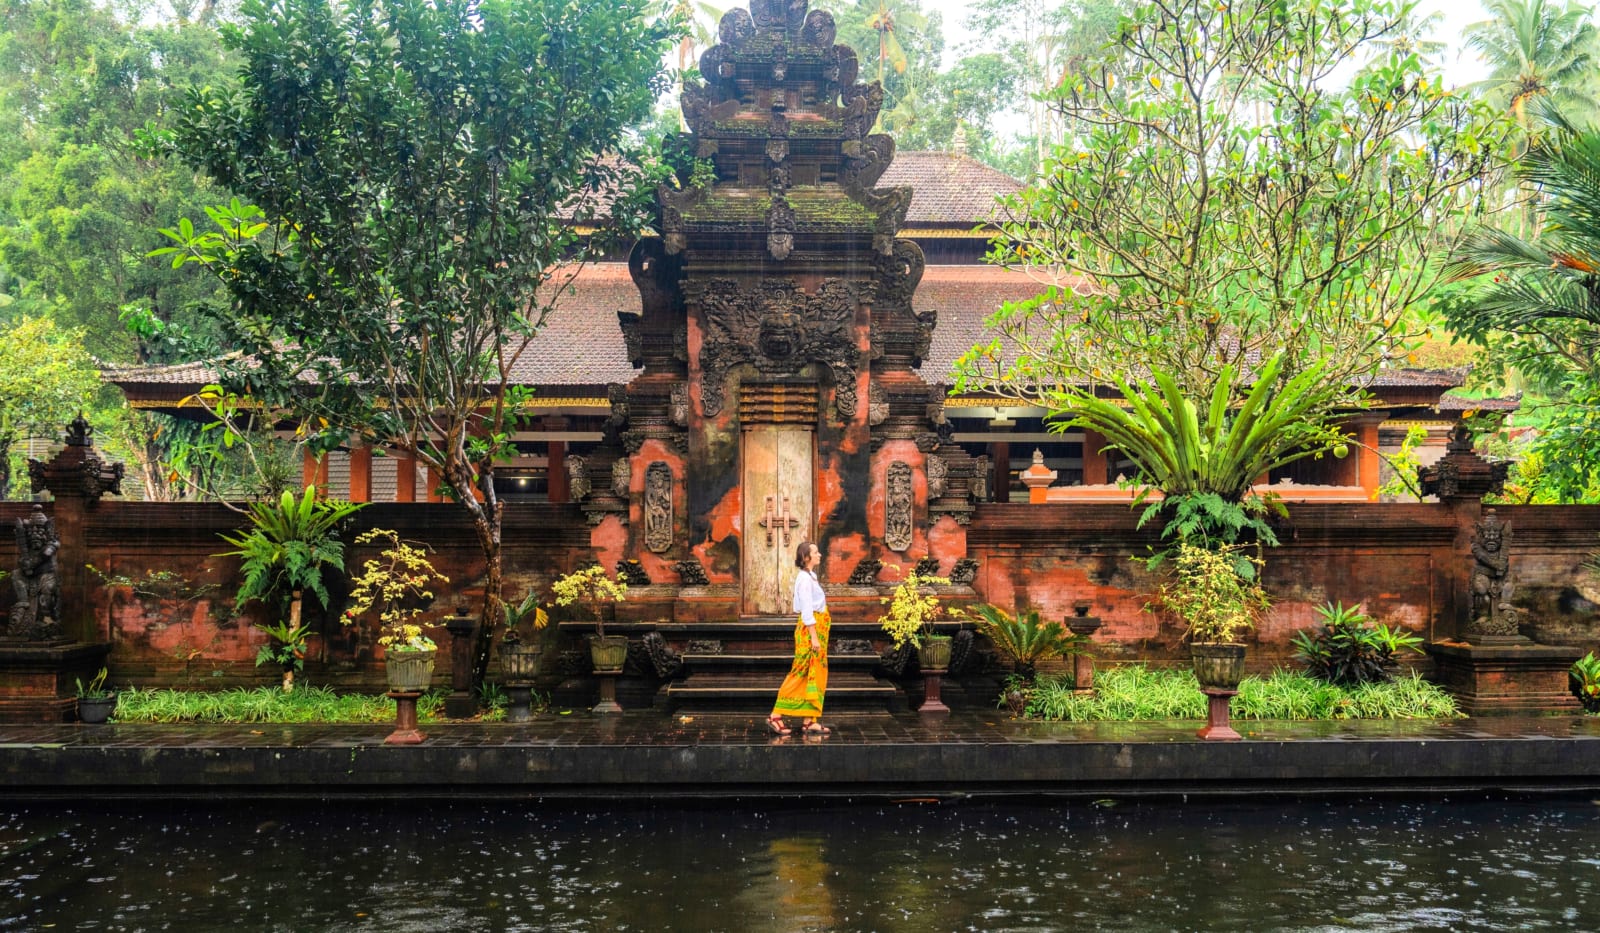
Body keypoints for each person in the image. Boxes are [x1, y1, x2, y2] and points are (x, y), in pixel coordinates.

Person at [768, 540, 830, 736]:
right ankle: (775, 715)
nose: (819, 555)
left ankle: (809, 720)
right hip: (810, 632)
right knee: (800, 671)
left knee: (815, 673)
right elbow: (806, 611)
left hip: (818, 630)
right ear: (806, 557)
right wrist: (814, 638)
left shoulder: (811, 576)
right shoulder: (804, 579)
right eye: (815, 552)